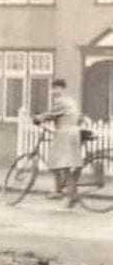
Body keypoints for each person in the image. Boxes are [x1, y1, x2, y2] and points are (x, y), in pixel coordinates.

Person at [33, 78, 83, 207]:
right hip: (74, 133)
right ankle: (71, 195)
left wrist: (37, 118)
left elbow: (50, 114)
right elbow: (73, 116)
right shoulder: (71, 101)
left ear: (62, 89)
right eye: (53, 89)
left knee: (55, 162)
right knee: (66, 165)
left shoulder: (60, 101)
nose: (54, 91)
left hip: (64, 134)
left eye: (56, 88)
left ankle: (58, 191)